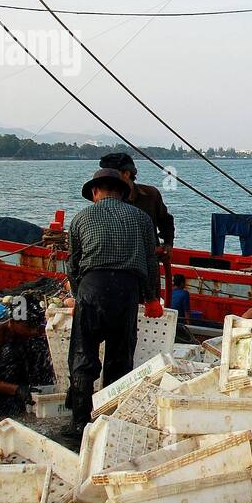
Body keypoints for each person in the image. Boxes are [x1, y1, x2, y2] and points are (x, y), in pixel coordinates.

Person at [65, 167, 163, 434]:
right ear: (122, 193)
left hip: (91, 287)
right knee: (119, 357)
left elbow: (72, 264)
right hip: (126, 289)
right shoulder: (142, 219)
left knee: (83, 355)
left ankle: (78, 424)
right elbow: (151, 261)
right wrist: (153, 298)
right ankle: (110, 423)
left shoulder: (81, 218)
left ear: (95, 192)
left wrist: (78, 295)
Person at [0, 292, 55, 415]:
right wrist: (16, 390)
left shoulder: (36, 332)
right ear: (15, 321)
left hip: (23, 384)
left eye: (36, 325)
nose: (34, 330)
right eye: (30, 326)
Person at [100, 152, 175, 260]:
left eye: (110, 174)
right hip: (116, 261)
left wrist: (168, 244)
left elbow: (165, 220)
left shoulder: (151, 194)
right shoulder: (104, 199)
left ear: (126, 173)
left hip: (148, 262)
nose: (106, 178)